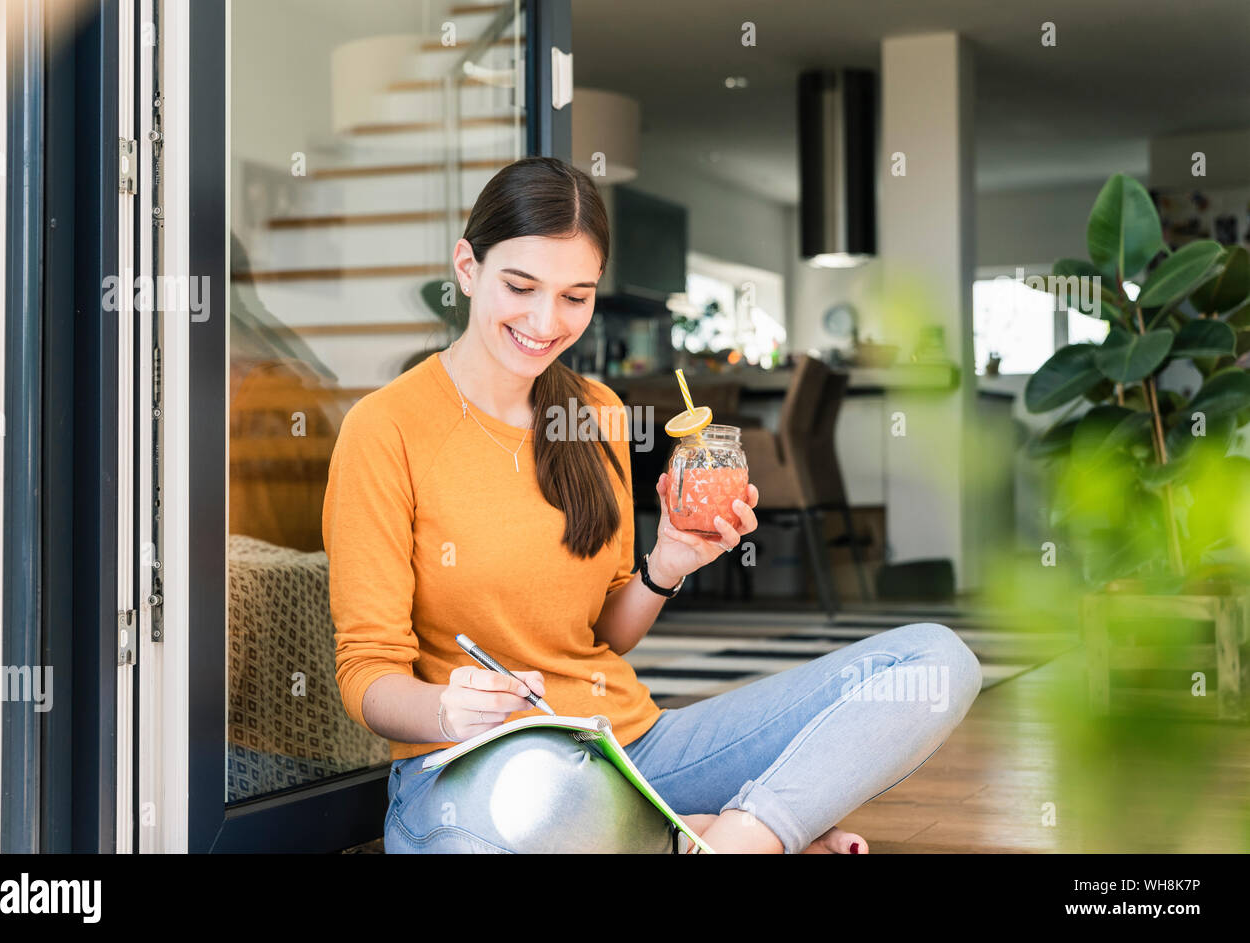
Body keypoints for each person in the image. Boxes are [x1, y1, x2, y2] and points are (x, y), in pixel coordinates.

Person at [323, 155, 983, 853]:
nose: (546, 321)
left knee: (938, 663)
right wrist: (446, 708)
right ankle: (707, 834)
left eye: (576, 296)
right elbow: (366, 672)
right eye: (521, 286)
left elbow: (609, 629)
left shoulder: (597, 412)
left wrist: (666, 561)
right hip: (475, 773)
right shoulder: (385, 427)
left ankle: (735, 838)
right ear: (467, 267)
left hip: (635, 745)